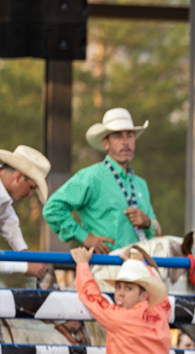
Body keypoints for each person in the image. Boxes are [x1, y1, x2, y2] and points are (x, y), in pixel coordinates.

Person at [44, 108, 160, 254]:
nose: (126, 142)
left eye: (130, 135)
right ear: (106, 143)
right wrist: (85, 237)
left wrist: (148, 222)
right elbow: (53, 208)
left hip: (141, 266)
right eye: (118, 136)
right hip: (106, 266)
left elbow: (157, 232)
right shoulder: (91, 176)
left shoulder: (140, 184)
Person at [0, 145, 51, 280]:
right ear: (18, 177)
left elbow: (8, 220)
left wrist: (25, 254)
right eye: (31, 187)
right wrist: (24, 266)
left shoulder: (3, 199)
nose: (29, 194)